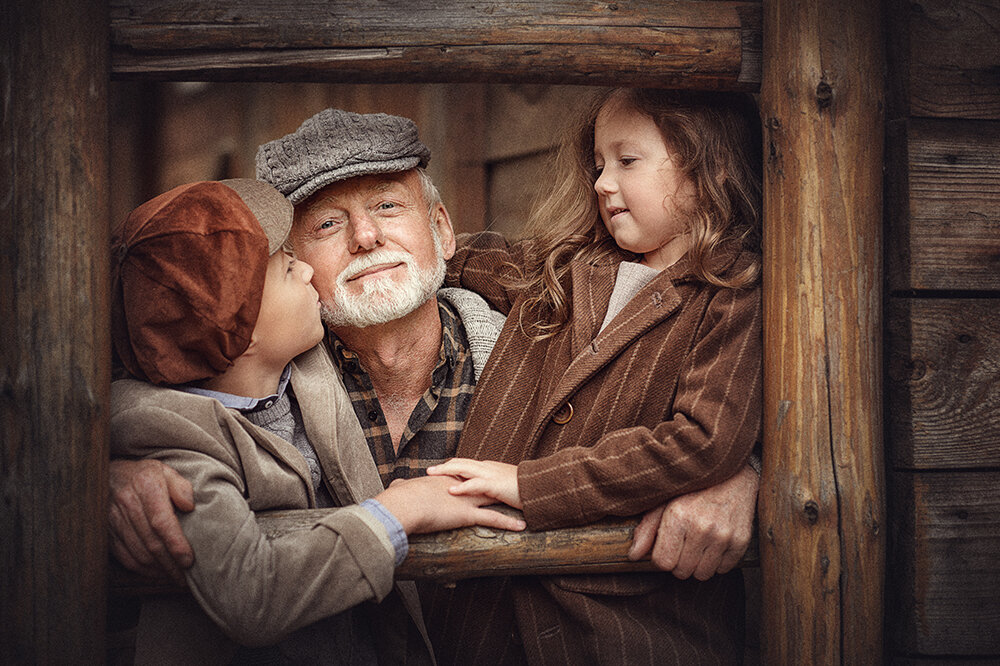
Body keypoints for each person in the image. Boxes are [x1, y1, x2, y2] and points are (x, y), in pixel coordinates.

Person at [109, 107, 762, 663]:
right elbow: (163, 399)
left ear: (444, 232)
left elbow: (678, 377)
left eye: (388, 206)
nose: (366, 237)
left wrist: (744, 472)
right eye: (327, 225)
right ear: (288, 266)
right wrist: (103, 471)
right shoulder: (260, 385)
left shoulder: (546, 332)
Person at [109, 177, 525, 664]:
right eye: (290, 264)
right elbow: (251, 594)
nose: (307, 270)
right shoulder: (174, 435)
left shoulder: (289, 367)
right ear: (238, 329)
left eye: (388, 206)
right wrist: (400, 509)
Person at [426, 88, 763, 663]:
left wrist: (530, 487)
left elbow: (703, 441)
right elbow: (453, 256)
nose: (603, 183)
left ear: (714, 166)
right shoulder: (565, 265)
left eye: (627, 162)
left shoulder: (734, 294)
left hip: (630, 628)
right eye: (599, 165)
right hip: (486, 622)